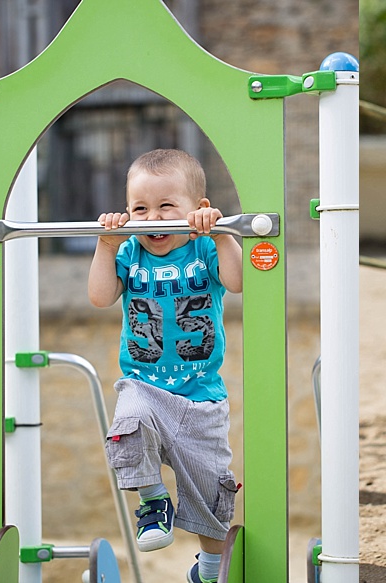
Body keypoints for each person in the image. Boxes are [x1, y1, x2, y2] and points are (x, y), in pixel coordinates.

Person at [86, 149, 243, 583]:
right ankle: (153, 500)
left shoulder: (205, 248)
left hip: (201, 398)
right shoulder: (130, 253)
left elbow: (239, 281)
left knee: (210, 490)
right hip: (145, 385)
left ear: (198, 210)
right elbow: (100, 296)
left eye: (166, 207)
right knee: (128, 423)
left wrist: (224, 234)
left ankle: (209, 570)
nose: (153, 220)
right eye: (140, 208)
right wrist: (106, 244)